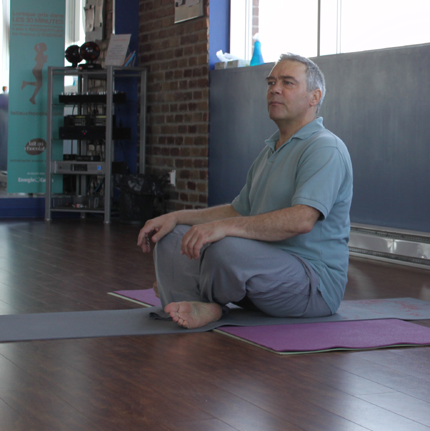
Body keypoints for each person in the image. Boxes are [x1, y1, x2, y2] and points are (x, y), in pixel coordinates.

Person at [137, 53, 353, 329]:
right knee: (172, 236)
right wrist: (176, 217)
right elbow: (237, 210)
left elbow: (302, 220)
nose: (275, 89)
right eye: (271, 82)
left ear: (314, 97)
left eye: (288, 82)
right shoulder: (271, 150)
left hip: (312, 286)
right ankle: (196, 302)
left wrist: (222, 229)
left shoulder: (324, 148)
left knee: (225, 247)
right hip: (260, 276)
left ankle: (194, 293)